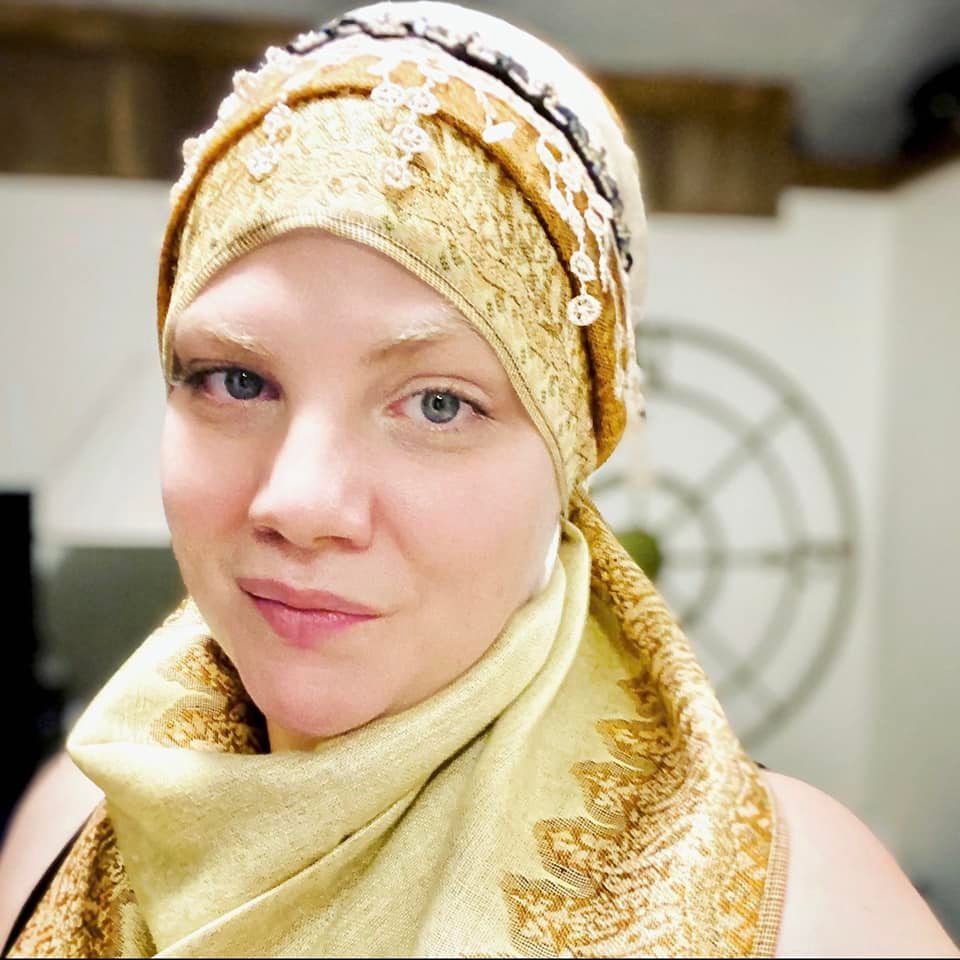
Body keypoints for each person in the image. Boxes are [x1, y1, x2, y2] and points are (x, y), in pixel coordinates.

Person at [3, 3, 958, 957]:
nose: (299, 503)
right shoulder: (75, 815)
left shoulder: (807, 910)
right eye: (235, 381)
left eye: (438, 405)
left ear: (571, 454)